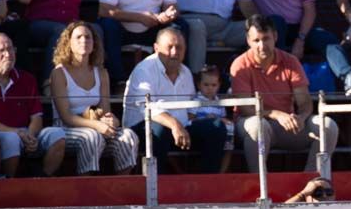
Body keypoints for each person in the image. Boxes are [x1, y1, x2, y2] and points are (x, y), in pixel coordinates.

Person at [229, 15, 337, 173]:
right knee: (258, 125)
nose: (262, 45)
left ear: (275, 36)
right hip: (253, 124)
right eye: (256, 40)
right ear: (248, 40)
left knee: (328, 125)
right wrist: (276, 114)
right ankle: (259, 185)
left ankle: (313, 183)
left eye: (266, 39)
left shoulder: (291, 61)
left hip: (286, 124)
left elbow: (305, 102)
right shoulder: (240, 64)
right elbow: (245, 109)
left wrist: (301, 117)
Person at [122, 26, 226, 172]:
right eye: (169, 47)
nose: (174, 52)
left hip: (181, 128)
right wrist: (174, 124)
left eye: (179, 48)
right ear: (156, 48)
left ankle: (205, 182)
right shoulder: (144, 70)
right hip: (145, 127)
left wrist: (200, 119)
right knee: (159, 130)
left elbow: (191, 106)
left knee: (216, 127)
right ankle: (157, 185)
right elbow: (146, 108)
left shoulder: (186, 72)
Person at [49, 21, 139, 175]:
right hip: (66, 128)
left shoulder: (102, 73)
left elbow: (105, 110)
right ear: (68, 43)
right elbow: (66, 116)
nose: (84, 40)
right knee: (92, 136)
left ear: (94, 44)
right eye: (78, 37)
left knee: (128, 136)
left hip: (96, 124)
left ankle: (123, 186)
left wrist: (111, 121)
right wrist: (95, 125)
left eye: (88, 37)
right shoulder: (59, 73)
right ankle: (87, 183)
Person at [0, 33, 64, 177]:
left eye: (11, 49)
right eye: (1, 51)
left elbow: (36, 118)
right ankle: (9, 181)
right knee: (11, 139)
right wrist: (17, 133)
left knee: (57, 134)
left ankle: (44, 178)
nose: (8, 54)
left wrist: (30, 136)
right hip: (1, 135)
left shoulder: (27, 79)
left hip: (26, 133)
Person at [189, 64, 232, 173]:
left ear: (219, 85)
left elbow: (223, 118)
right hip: (200, 136)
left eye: (214, 85)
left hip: (220, 136)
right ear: (199, 85)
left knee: (230, 136)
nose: (210, 88)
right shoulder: (196, 100)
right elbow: (190, 120)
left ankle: (222, 173)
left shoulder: (219, 102)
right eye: (206, 85)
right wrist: (206, 119)